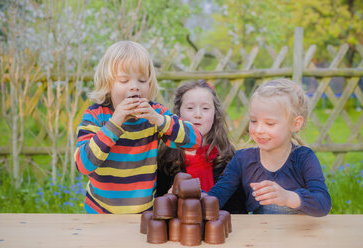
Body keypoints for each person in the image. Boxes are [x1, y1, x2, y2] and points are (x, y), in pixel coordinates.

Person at [75, 41, 202, 214]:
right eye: (124, 80)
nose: (134, 86)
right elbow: (83, 165)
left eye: (142, 80)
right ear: (108, 84)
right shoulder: (96, 116)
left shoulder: (155, 114)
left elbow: (195, 140)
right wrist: (114, 124)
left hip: (143, 214)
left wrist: (159, 120)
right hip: (100, 213)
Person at [208, 79, 331, 216]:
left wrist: (288, 198)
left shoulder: (303, 158)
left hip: (300, 234)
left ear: (296, 124)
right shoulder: (242, 160)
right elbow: (218, 195)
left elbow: (323, 203)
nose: (259, 129)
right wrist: (197, 201)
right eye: (254, 121)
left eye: (270, 123)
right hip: (261, 233)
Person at [157, 79, 247, 214]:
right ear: (178, 113)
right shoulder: (166, 159)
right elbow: (159, 206)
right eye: (190, 108)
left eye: (205, 108)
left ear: (215, 114)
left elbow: (238, 209)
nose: (197, 114)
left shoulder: (228, 158)